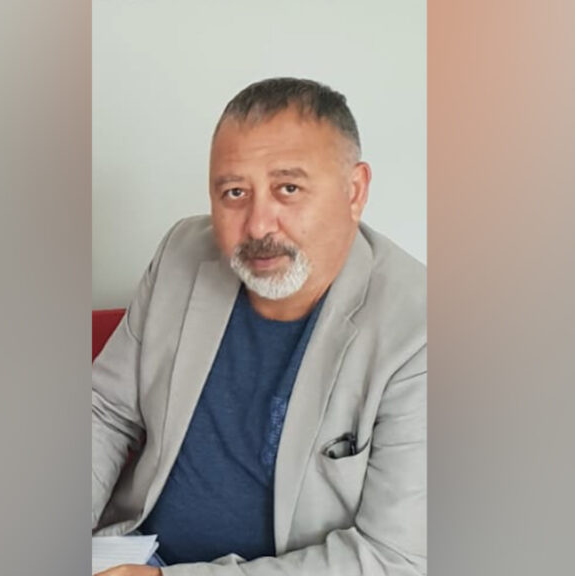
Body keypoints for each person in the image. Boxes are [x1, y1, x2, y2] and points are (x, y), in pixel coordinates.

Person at [92, 78, 426, 576]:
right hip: (131, 552)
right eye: (234, 193)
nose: (258, 226)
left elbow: (393, 558)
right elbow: (105, 410)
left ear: (354, 191)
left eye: (288, 189)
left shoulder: (421, 331)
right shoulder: (182, 252)